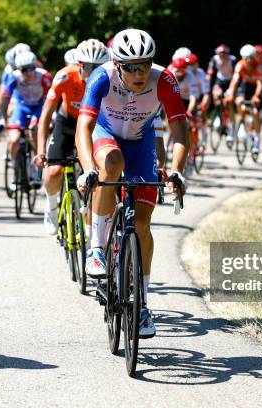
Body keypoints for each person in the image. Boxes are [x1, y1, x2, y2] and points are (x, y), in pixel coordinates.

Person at [75, 28, 189, 338]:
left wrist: (176, 170)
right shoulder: (101, 77)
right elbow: (83, 126)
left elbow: (180, 130)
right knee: (111, 165)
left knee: (141, 223)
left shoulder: (163, 80)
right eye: (130, 67)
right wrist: (87, 169)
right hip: (106, 136)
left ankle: (141, 305)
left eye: (145, 65)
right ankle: (97, 248)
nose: (139, 73)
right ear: (117, 64)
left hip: (142, 144)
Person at [34, 39, 109, 236]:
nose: (93, 72)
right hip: (67, 123)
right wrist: (41, 150)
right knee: (53, 172)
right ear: (79, 64)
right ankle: (51, 207)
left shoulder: (110, 79)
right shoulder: (64, 76)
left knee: (95, 176)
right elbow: (46, 115)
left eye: (98, 67)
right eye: (89, 67)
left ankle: (89, 219)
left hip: (93, 127)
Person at [0, 50, 52, 188]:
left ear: (35, 66)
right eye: (24, 69)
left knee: (33, 131)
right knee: (14, 139)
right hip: (22, 106)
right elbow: (5, 97)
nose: (29, 72)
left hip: (38, 106)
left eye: (31, 68)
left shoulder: (44, 76)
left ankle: (36, 167)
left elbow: (52, 98)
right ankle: (17, 169)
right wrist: (2, 116)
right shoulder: (14, 77)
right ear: (19, 69)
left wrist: (52, 115)